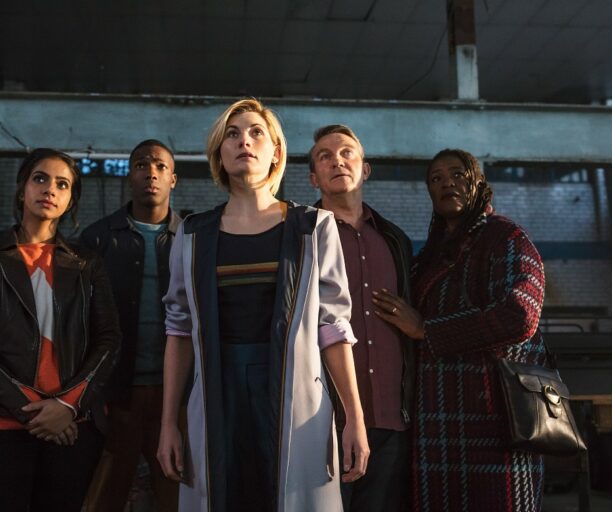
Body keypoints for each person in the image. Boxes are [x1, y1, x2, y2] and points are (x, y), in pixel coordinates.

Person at [156, 98, 369, 512]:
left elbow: (333, 329)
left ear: (276, 152)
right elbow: (178, 330)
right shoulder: (193, 234)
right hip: (218, 390)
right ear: (219, 153)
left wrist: (354, 419)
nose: (244, 141)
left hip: (296, 393)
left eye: (256, 133)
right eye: (232, 134)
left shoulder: (313, 227)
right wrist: (169, 423)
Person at [0, 148, 121, 512]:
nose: (50, 189)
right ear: (21, 188)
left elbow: (109, 340)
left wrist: (67, 405)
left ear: (71, 199)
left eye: (62, 184)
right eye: (40, 178)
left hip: (70, 429)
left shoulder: (87, 265)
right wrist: (34, 409)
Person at [372, 149, 546, 512]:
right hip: (435, 422)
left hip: (495, 419)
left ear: (478, 183)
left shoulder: (506, 237)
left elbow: (520, 316)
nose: (446, 183)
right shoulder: (428, 257)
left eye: (457, 174)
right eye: (436, 179)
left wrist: (427, 329)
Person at [309, 124, 414, 511]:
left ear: (365, 169)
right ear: (313, 177)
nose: (337, 161)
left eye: (346, 153)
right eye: (325, 156)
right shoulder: (301, 236)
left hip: (391, 418)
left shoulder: (394, 240)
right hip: (321, 419)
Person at [81, 140, 181, 512]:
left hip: (175, 395)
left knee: (176, 494)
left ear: (173, 178)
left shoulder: (192, 238)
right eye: (141, 165)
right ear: (129, 176)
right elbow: (81, 323)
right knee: (104, 494)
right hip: (116, 394)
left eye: (160, 166)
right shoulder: (97, 238)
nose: (150, 173)